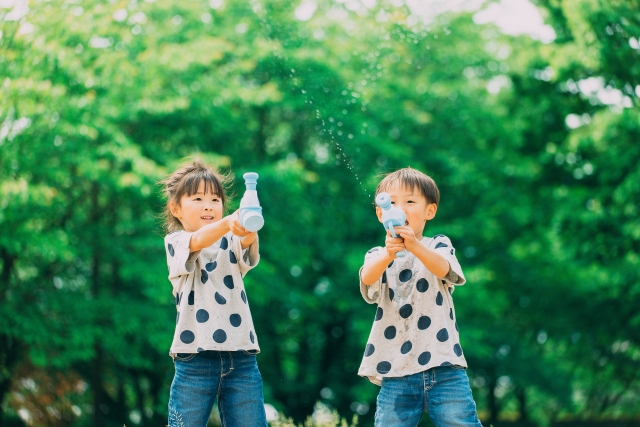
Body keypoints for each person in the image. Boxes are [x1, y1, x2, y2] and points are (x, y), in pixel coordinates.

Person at [359, 168, 483, 427]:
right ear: (380, 213)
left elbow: (445, 269)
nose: (399, 209)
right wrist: (388, 254)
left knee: (461, 423)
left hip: (443, 363)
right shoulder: (377, 254)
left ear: (430, 211)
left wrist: (414, 245)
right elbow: (368, 278)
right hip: (395, 368)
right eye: (390, 203)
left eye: (410, 201)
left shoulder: (438, 244)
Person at [160, 158, 268, 427]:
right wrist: (229, 222)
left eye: (215, 199)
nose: (208, 205)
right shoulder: (176, 241)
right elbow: (198, 240)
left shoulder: (230, 240)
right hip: (194, 357)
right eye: (197, 198)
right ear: (176, 209)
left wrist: (248, 226)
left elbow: (246, 242)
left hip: (241, 355)